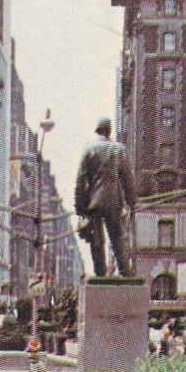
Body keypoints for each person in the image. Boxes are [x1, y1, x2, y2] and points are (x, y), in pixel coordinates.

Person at [73, 117, 136, 278]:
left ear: (97, 130)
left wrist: (80, 207)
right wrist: (132, 202)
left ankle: (99, 274)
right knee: (117, 239)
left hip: (93, 203)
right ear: (109, 130)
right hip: (113, 201)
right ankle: (125, 273)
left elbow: (80, 181)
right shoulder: (119, 149)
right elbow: (128, 179)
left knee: (97, 241)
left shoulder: (89, 149)